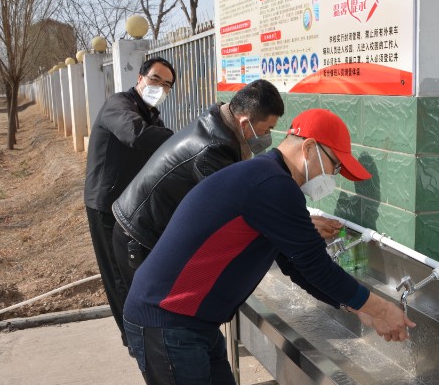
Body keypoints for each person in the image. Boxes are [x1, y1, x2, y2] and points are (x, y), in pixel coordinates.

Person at [122, 108, 415, 385]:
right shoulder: (272, 186)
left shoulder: (268, 180)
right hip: (166, 322)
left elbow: (297, 267)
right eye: (335, 166)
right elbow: (315, 265)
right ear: (309, 149)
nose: (334, 177)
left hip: (192, 324)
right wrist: (378, 307)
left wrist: (354, 306)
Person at [113, 79, 301, 288]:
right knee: (149, 306)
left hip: (149, 225)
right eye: (267, 129)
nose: (267, 136)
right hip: (140, 234)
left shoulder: (220, 120)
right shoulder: (213, 149)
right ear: (245, 123)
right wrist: (290, 224)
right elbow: (234, 209)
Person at [84, 56, 176, 348]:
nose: (159, 87)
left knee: (135, 271)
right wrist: (181, 138)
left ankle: (144, 330)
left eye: (167, 85)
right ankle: (134, 339)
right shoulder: (119, 105)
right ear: (140, 79)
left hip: (130, 206)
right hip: (106, 204)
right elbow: (134, 135)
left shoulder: (152, 116)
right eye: (155, 79)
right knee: (118, 275)